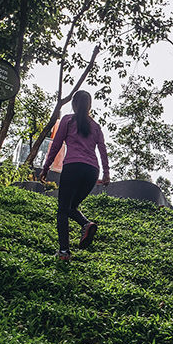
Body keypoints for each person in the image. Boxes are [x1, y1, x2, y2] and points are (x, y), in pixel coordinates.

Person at [40, 90, 109, 257]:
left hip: (73, 167)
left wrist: (46, 167)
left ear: (74, 104)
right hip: (92, 171)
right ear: (90, 106)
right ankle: (86, 224)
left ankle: (64, 251)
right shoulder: (96, 127)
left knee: (63, 210)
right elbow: (102, 149)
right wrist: (106, 173)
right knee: (71, 207)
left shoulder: (68, 120)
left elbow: (56, 145)